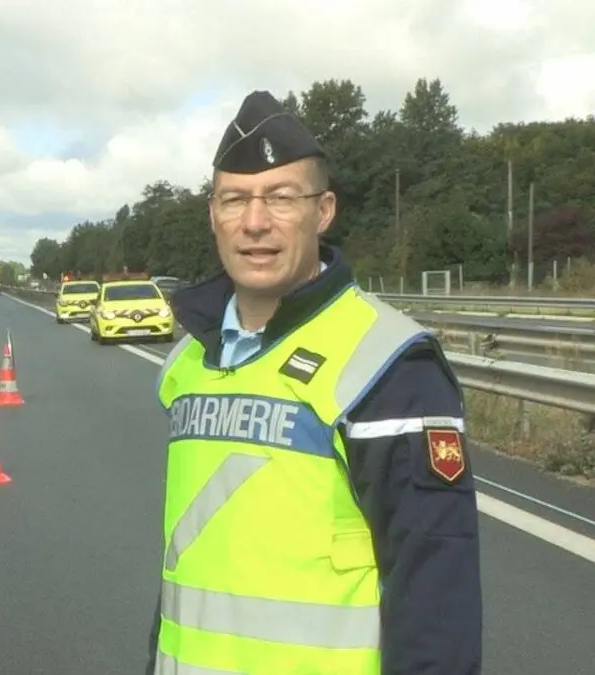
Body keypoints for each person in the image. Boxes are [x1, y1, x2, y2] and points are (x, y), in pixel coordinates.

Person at [146, 90, 482, 674]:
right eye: (235, 200)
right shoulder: (187, 364)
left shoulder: (387, 365)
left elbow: (436, 598)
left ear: (323, 211)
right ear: (212, 215)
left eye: (281, 198)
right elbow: (190, 566)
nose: (255, 223)